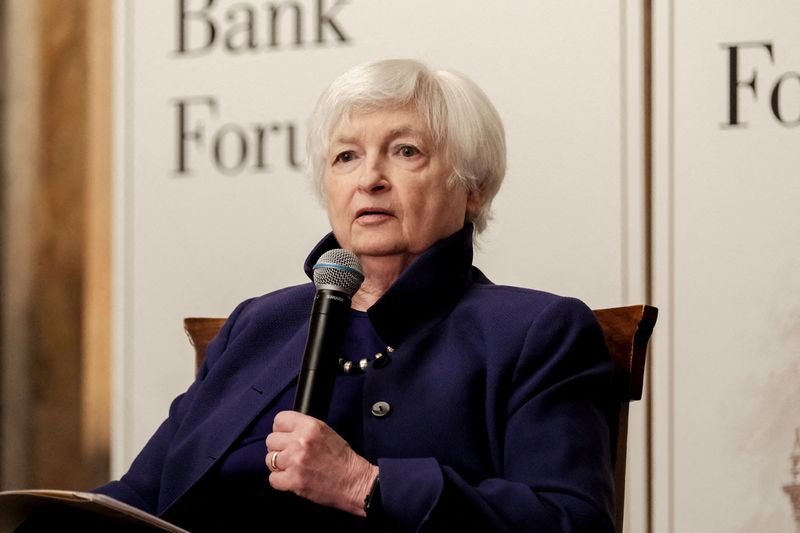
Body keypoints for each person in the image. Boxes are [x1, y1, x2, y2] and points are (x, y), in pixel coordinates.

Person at [93, 58, 616, 532]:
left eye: (405, 151)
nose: (369, 179)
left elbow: (572, 522)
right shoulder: (259, 324)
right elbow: (140, 497)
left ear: (472, 186)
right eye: (346, 156)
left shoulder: (535, 331)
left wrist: (364, 484)